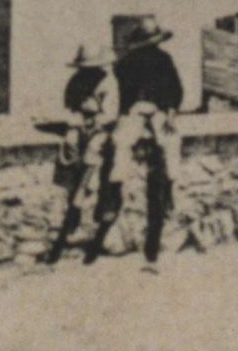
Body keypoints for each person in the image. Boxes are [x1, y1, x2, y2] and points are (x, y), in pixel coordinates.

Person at [107, 16, 184, 270]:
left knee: (170, 142)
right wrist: (124, 117)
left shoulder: (164, 60)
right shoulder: (126, 65)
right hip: (136, 111)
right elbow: (122, 99)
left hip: (159, 111)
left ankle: (172, 184)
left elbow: (175, 91)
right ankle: (116, 185)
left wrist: (171, 114)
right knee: (121, 141)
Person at [41, 44, 119, 265]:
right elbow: (69, 106)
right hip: (79, 127)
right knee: (70, 146)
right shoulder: (76, 81)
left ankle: (82, 204)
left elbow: (110, 115)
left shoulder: (108, 82)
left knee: (92, 156)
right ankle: (70, 190)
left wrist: (91, 122)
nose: (88, 71)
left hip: (100, 130)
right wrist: (73, 123)